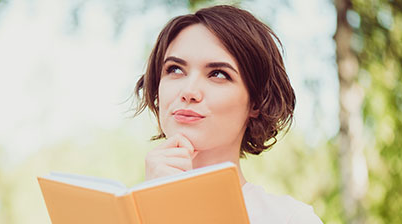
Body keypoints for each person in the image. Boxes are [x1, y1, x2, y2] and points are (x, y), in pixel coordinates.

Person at [133, 5, 323, 224]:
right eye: (175, 69)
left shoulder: (289, 219)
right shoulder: (123, 214)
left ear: (256, 102)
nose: (188, 92)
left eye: (218, 74)